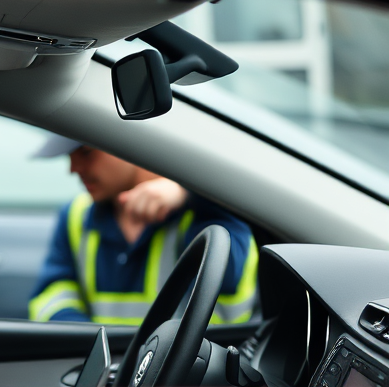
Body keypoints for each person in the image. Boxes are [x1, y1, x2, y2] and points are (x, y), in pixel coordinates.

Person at [28, 136, 257, 326]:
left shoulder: (208, 211)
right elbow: (52, 293)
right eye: (70, 156)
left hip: (188, 375)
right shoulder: (76, 214)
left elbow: (227, 274)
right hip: (107, 372)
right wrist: (91, 344)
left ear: (132, 143)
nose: (73, 168)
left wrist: (190, 193)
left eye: (86, 152)